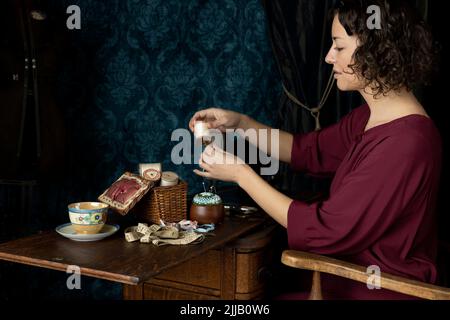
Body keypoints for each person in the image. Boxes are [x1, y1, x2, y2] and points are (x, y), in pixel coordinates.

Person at [189, 0, 441, 299]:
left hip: (375, 290)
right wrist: (240, 124)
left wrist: (241, 174)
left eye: (339, 46)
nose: (328, 57)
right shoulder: (371, 117)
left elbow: (324, 231)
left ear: (375, 50)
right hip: (341, 279)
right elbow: (305, 151)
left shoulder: (406, 143)